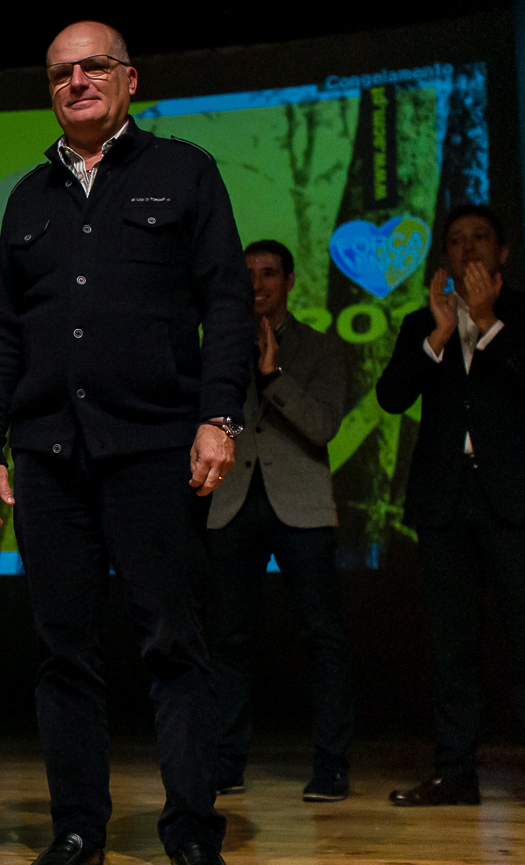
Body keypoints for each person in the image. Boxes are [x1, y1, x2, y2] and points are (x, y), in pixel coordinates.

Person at [0, 21, 253, 865]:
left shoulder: (184, 172)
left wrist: (219, 416)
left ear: (131, 79)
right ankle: (78, 826)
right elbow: (3, 332)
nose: (77, 81)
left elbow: (227, 302)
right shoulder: (28, 197)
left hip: (156, 447)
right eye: (61, 72)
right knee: (63, 649)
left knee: (173, 641)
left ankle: (191, 829)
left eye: (95, 66)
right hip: (48, 456)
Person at [376, 203, 525, 816]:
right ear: (446, 257)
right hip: (445, 501)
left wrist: (486, 323)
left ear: (503, 252)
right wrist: (438, 335)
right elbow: (391, 395)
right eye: (456, 240)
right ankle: (454, 772)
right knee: (452, 646)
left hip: (517, 501)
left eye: (481, 237)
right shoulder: (421, 321)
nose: (468, 247)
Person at [205, 239, 354, 802]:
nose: (257, 284)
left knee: (322, 637)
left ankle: (331, 764)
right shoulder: (216, 347)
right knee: (228, 639)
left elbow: (323, 426)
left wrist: (273, 376)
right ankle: (226, 761)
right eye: (247, 273)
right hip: (232, 502)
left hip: (302, 505)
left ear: (290, 281)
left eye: (269, 273)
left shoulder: (322, 348)